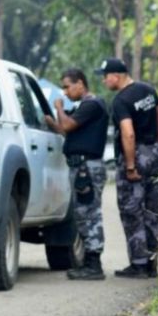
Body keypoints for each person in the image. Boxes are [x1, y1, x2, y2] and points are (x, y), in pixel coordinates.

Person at [96, 57, 158, 279]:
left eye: (105, 77)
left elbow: (128, 133)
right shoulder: (147, 89)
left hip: (134, 157)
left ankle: (139, 265)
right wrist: (155, 145)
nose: (104, 81)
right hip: (153, 154)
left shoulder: (121, 100)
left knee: (131, 211)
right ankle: (152, 264)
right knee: (152, 211)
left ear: (116, 75)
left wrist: (130, 166)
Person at [44, 68, 109, 280]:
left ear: (80, 84)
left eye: (67, 86)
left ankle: (94, 264)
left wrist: (59, 109)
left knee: (89, 214)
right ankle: (89, 263)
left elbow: (69, 125)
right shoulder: (83, 107)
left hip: (87, 168)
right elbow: (66, 130)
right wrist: (53, 122)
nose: (64, 92)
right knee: (82, 214)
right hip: (81, 167)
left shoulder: (92, 104)